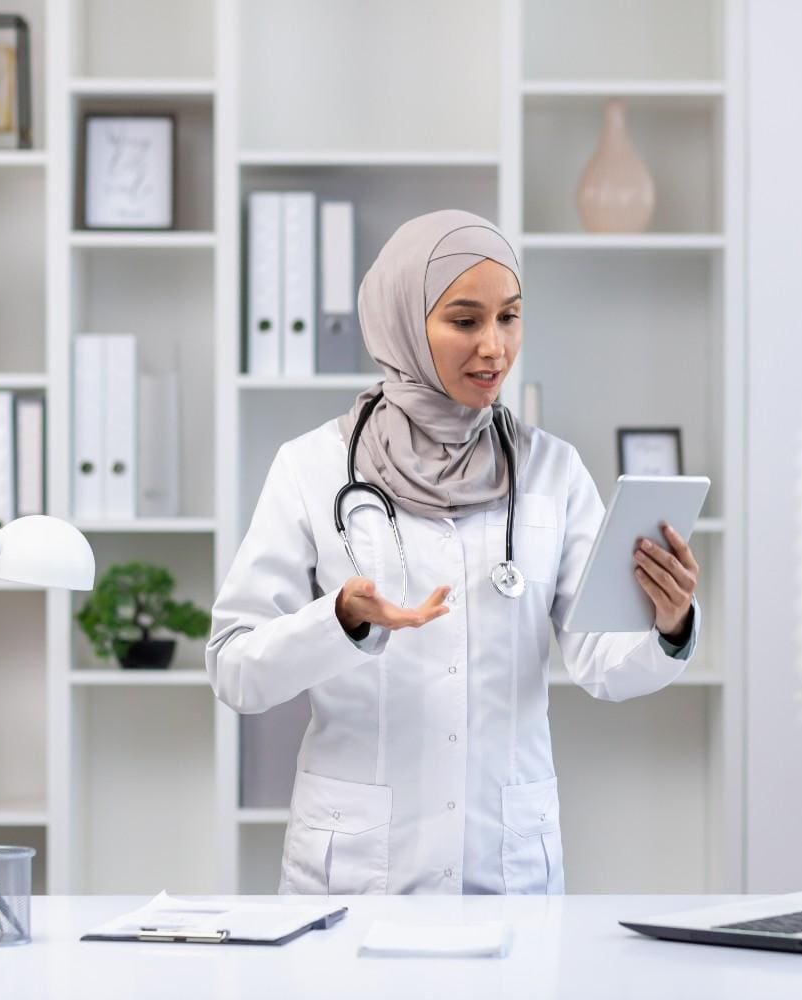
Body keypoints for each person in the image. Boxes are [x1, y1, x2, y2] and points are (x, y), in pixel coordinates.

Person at [207, 209, 702, 895]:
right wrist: (340, 620)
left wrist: (669, 625)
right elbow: (236, 671)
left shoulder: (551, 471)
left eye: (510, 317)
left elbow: (604, 665)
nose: (494, 347)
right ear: (403, 323)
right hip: (358, 874)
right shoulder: (314, 468)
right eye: (465, 321)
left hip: (504, 866)